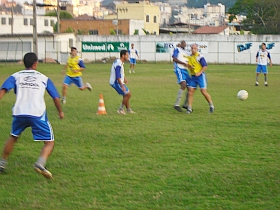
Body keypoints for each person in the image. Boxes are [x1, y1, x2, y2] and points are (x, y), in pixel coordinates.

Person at [0, 52, 64, 179]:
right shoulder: (43, 78)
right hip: (37, 113)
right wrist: (60, 111)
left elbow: (3, 91)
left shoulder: (15, 76)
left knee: (13, 137)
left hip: (19, 113)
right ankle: (40, 163)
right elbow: (55, 97)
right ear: (35, 64)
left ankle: (2, 163)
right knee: (49, 142)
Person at [186, 44, 214, 114]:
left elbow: (205, 66)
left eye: (194, 48)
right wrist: (189, 66)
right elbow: (189, 65)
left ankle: (211, 105)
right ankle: (189, 108)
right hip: (193, 76)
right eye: (192, 48)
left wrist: (200, 72)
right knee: (190, 92)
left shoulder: (200, 57)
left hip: (201, 76)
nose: (193, 50)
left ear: (197, 49)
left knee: (203, 91)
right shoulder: (189, 57)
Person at [109, 50, 135, 115]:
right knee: (128, 94)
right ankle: (120, 109)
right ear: (123, 55)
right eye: (127, 55)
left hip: (117, 81)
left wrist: (124, 79)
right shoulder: (118, 63)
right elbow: (117, 75)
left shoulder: (119, 62)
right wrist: (122, 85)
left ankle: (128, 109)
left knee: (126, 94)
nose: (128, 56)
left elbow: (119, 73)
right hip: (116, 82)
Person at [172, 40, 192, 112]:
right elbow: (174, 58)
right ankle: (176, 105)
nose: (184, 44)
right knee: (183, 85)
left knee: (190, 87)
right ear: (180, 44)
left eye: (185, 43)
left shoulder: (187, 52)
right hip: (179, 69)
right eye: (183, 43)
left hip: (185, 70)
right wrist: (183, 63)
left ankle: (185, 104)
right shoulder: (177, 49)